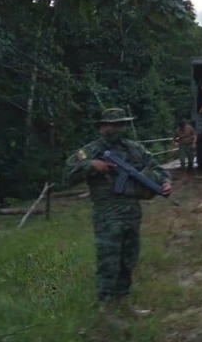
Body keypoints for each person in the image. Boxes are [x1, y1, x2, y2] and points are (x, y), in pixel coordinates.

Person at [62, 108, 173, 321]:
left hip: (132, 213)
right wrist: (91, 165)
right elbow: (67, 174)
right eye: (112, 125)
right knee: (109, 261)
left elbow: (156, 167)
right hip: (107, 215)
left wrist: (165, 182)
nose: (116, 129)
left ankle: (124, 302)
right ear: (102, 127)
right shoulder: (91, 150)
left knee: (128, 259)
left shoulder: (133, 149)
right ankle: (106, 308)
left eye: (120, 124)